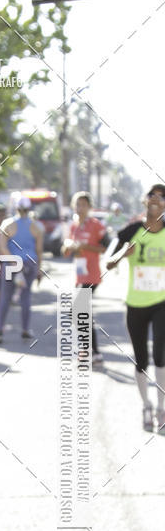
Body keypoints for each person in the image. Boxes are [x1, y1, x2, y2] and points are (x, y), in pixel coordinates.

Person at [106, 184, 165, 432]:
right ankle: (146, 406)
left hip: (161, 302)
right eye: (152, 194)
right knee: (140, 359)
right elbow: (108, 262)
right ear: (144, 201)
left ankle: (162, 408)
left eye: (162, 197)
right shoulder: (131, 230)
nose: (156, 199)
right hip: (135, 304)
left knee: (160, 356)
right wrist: (122, 255)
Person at [62, 191, 110, 366]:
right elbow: (65, 250)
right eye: (77, 204)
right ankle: (92, 352)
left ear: (89, 207)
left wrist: (86, 246)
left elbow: (106, 247)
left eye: (83, 204)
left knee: (78, 309)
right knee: (81, 311)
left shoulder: (95, 224)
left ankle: (90, 351)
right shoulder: (74, 226)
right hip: (80, 274)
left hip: (92, 275)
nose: (80, 208)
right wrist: (68, 246)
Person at [0, 195, 44, 343]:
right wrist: (39, 269)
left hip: (11, 264)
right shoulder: (37, 227)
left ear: (15, 208)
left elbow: (2, 247)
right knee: (26, 297)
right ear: (29, 209)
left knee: (5, 297)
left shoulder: (7, 224)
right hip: (29, 263)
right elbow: (39, 250)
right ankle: (25, 329)